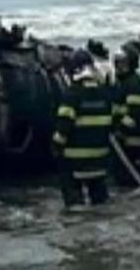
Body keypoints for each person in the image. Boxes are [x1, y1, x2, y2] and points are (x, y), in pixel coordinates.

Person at [52, 49, 116, 208]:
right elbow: (112, 124)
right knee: (100, 204)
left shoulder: (72, 94)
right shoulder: (105, 94)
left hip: (74, 163)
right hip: (100, 162)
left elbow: (62, 129)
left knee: (75, 207)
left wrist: (54, 147)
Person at [112, 47, 140, 186]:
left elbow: (135, 114)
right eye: (117, 62)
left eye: (122, 63)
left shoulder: (133, 83)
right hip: (122, 138)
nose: (118, 66)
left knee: (131, 178)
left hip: (132, 139)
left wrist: (120, 129)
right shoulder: (121, 82)